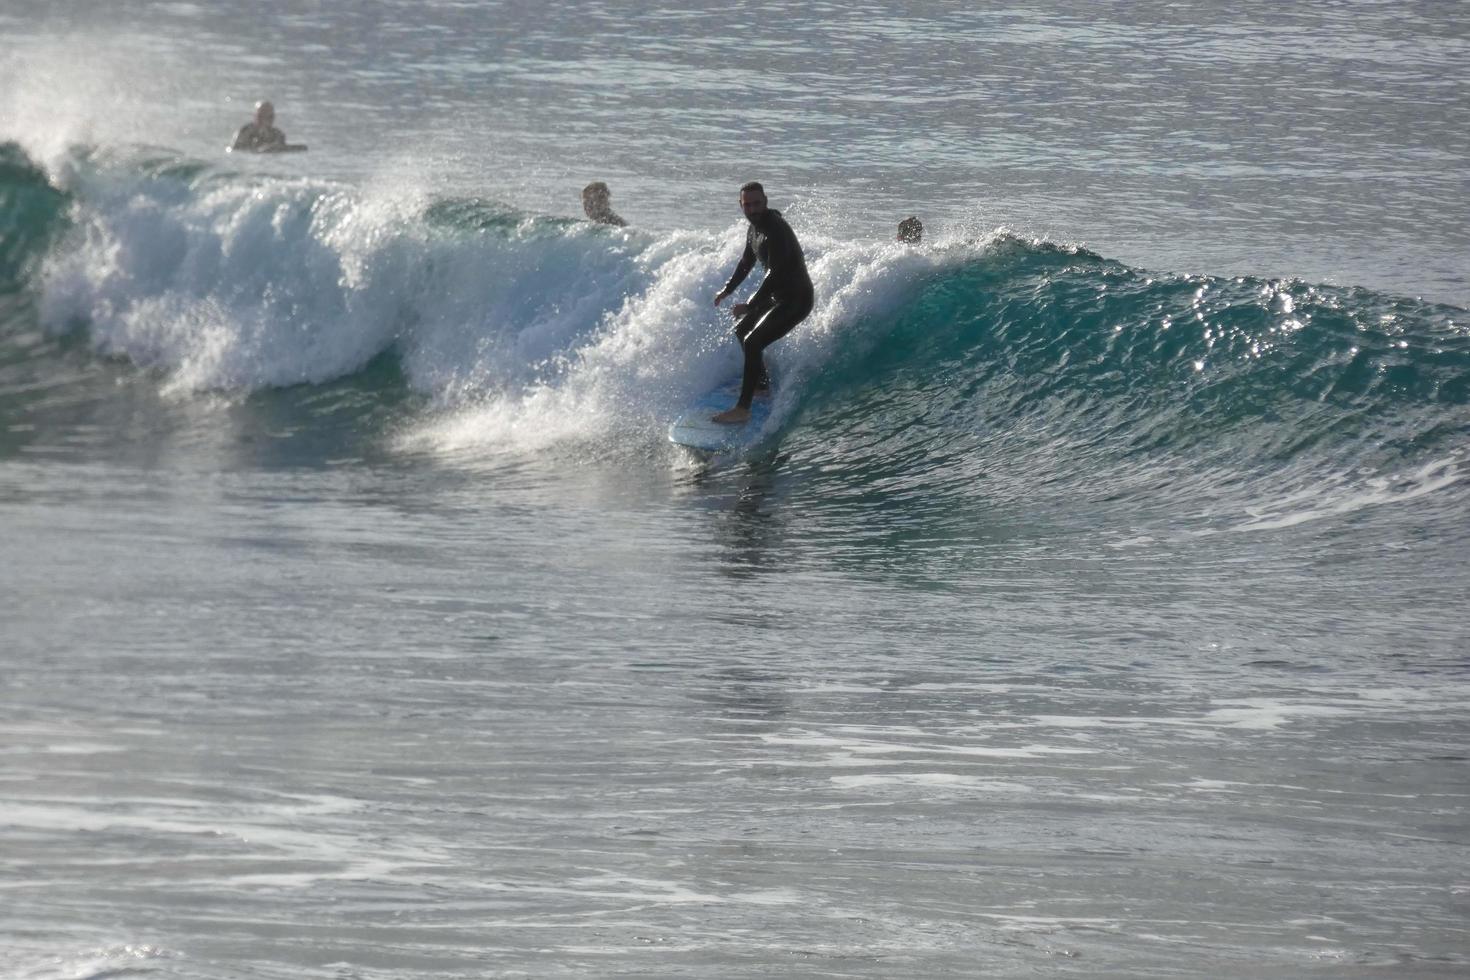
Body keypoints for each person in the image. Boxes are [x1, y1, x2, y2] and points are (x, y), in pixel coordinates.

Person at [710, 181, 814, 424]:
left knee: (753, 340)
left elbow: (774, 273)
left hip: (796, 300)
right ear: (741, 205)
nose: (753, 209)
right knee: (742, 330)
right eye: (747, 205)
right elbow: (746, 262)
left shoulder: (775, 229)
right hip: (777, 297)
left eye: (757, 203)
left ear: (765, 201)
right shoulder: (754, 229)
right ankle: (762, 385)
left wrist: (750, 304)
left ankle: (742, 409)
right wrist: (727, 289)